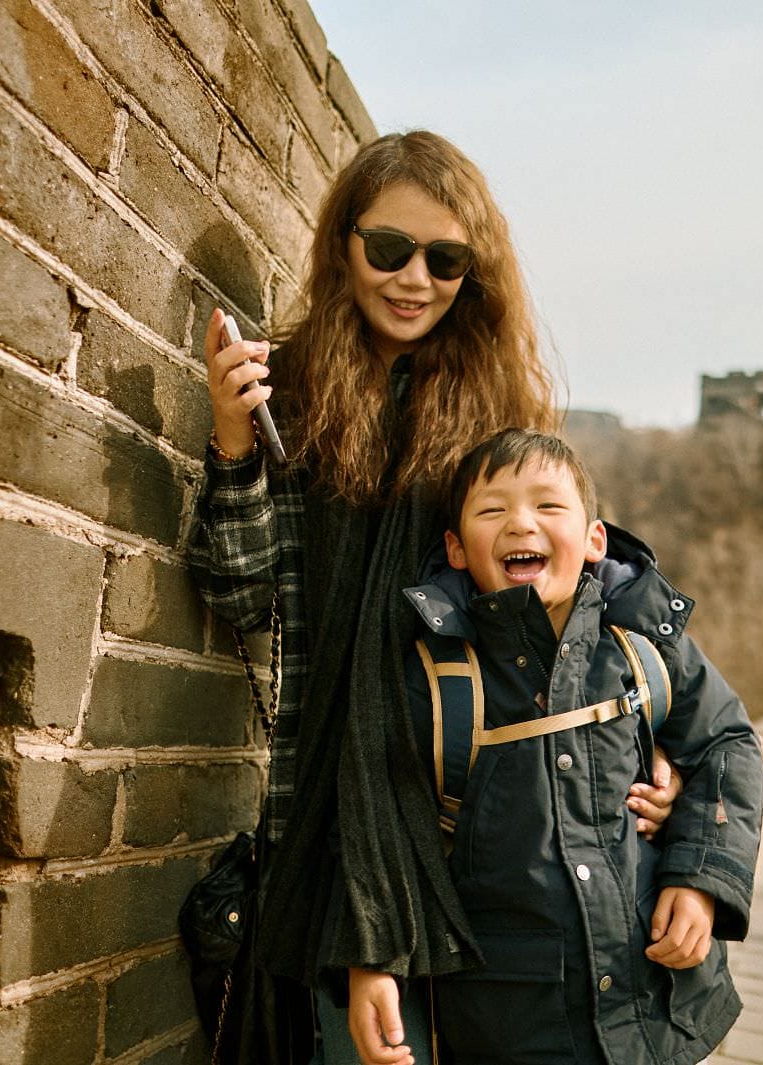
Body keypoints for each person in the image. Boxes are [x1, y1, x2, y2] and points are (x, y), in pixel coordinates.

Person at [186, 131, 683, 1064]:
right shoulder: (284, 391)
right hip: (334, 810)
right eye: (390, 249)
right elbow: (242, 592)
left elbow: (566, 614)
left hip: (487, 813)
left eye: (446, 259)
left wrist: (652, 752)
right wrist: (232, 443)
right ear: (345, 243)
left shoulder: (494, 419)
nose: (415, 277)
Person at [357, 428, 763, 1064]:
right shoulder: (436, 679)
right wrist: (372, 961)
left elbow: (727, 744)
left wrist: (702, 881)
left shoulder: (644, 646)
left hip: (654, 999)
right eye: (494, 510)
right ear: (457, 549)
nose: (522, 523)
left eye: (548, 506)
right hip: (511, 1014)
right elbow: (382, 825)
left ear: (595, 539)